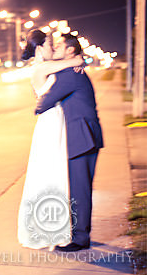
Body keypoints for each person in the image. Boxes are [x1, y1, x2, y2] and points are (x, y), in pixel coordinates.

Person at [35, 33, 103, 252]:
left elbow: (43, 104)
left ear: (71, 51)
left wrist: (38, 100)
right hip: (85, 135)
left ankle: (81, 238)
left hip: (81, 137)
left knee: (79, 188)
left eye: (60, 46)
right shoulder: (74, 70)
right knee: (79, 187)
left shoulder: (70, 75)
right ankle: (80, 232)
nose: (55, 49)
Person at [17, 29, 84, 250]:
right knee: (50, 174)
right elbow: (77, 59)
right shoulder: (42, 67)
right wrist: (75, 61)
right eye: (49, 45)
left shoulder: (42, 66)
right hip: (49, 123)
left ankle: (51, 229)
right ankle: (51, 232)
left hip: (54, 120)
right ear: (39, 48)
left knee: (52, 173)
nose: (52, 49)